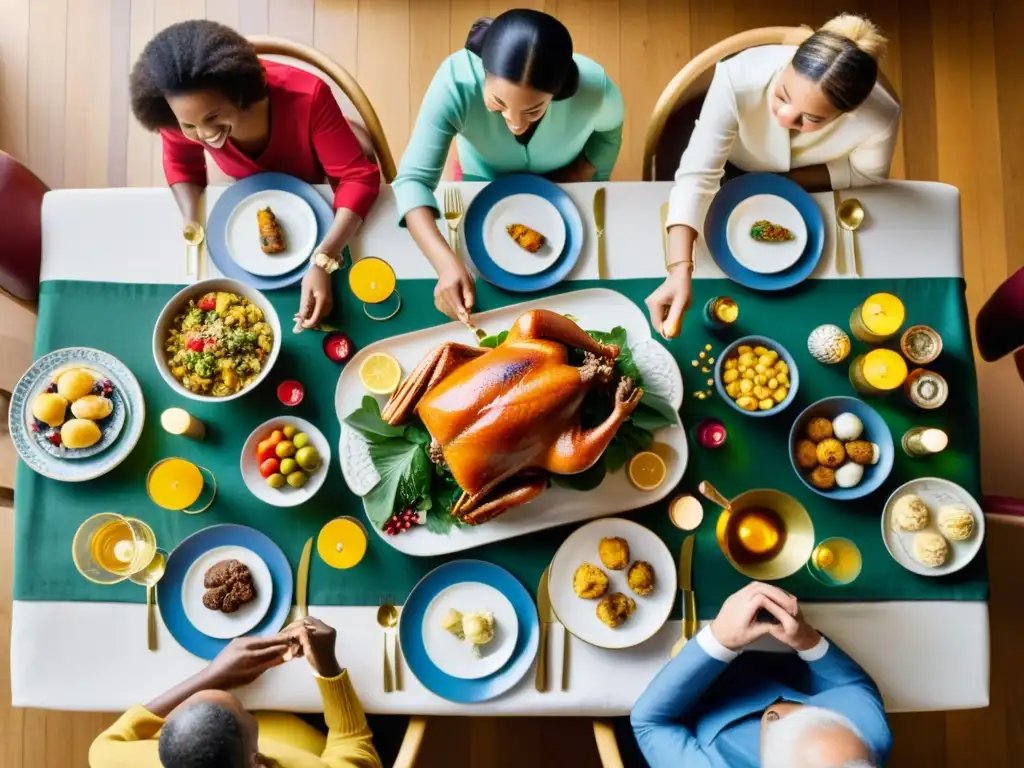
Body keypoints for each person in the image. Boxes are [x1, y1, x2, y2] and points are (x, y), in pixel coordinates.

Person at [647, 14, 900, 340]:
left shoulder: (879, 115)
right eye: (782, 95)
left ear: (845, 113)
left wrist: (790, 183)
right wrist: (679, 270)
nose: (783, 117)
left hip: (804, 183)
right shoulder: (740, 76)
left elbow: (867, 172)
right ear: (788, 65)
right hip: (730, 161)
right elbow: (697, 176)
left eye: (810, 118)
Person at [129, 20, 381, 329]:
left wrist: (324, 259)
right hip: (253, 189)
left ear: (239, 94)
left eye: (213, 116)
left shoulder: (308, 95)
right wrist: (191, 216)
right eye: (189, 126)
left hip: (321, 177)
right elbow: (183, 165)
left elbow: (359, 178)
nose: (206, 134)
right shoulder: (182, 113)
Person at [393, 9, 624, 322]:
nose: (515, 123)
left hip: (566, 183)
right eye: (498, 103)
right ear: (483, 72)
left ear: (559, 92)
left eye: (533, 110)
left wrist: (583, 171)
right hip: (480, 180)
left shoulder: (594, 87)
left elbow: (609, 132)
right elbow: (411, 181)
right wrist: (445, 264)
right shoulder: (455, 81)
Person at [631, 582, 892, 768]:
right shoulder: (867, 738)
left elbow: (649, 722)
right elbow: (851, 686)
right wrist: (805, 638)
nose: (781, 708)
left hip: (689, 700)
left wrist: (718, 639)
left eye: (777, 721)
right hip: (787, 660)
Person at [89, 616, 382, 768]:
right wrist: (327, 668)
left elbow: (107, 743)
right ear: (257, 762)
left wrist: (214, 675)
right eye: (243, 710)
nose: (246, 705)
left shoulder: (112, 760)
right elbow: (355, 747)